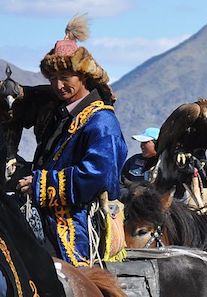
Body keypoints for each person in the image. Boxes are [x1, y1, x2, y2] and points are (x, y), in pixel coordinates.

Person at [17, 15, 127, 266]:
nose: (58, 84)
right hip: (48, 213)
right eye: (53, 78)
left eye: (66, 76)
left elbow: (98, 176)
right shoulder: (62, 115)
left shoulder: (101, 121)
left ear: (83, 77)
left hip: (75, 225)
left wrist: (41, 184)